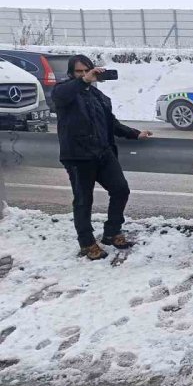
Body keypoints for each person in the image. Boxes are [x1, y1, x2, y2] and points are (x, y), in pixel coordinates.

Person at [51, 55, 152, 260]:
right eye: (79, 72)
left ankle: (112, 232)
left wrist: (134, 133)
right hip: (79, 157)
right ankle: (87, 243)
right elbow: (60, 95)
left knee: (121, 189)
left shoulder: (98, 97)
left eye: (87, 70)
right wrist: (84, 80)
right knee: (83, 200)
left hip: (103, 153)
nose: (84, 74)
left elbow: (112, 124)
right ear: (72, 74)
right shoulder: (65, 92)